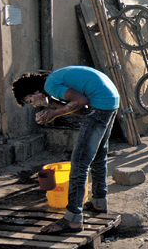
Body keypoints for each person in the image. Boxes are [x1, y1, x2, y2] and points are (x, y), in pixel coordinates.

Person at [13, 66, 119, 233]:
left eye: (30, 100)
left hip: (101, 102)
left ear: (34, 91)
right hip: (110, 100)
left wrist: (52, 114)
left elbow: (81, 103)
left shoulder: (50, 85)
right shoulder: (53, 81)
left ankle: (73, 220)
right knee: (98, 155)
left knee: (79, 163)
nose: (33, 105)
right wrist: (52, 106)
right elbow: (82, 110)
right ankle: (99, 202)